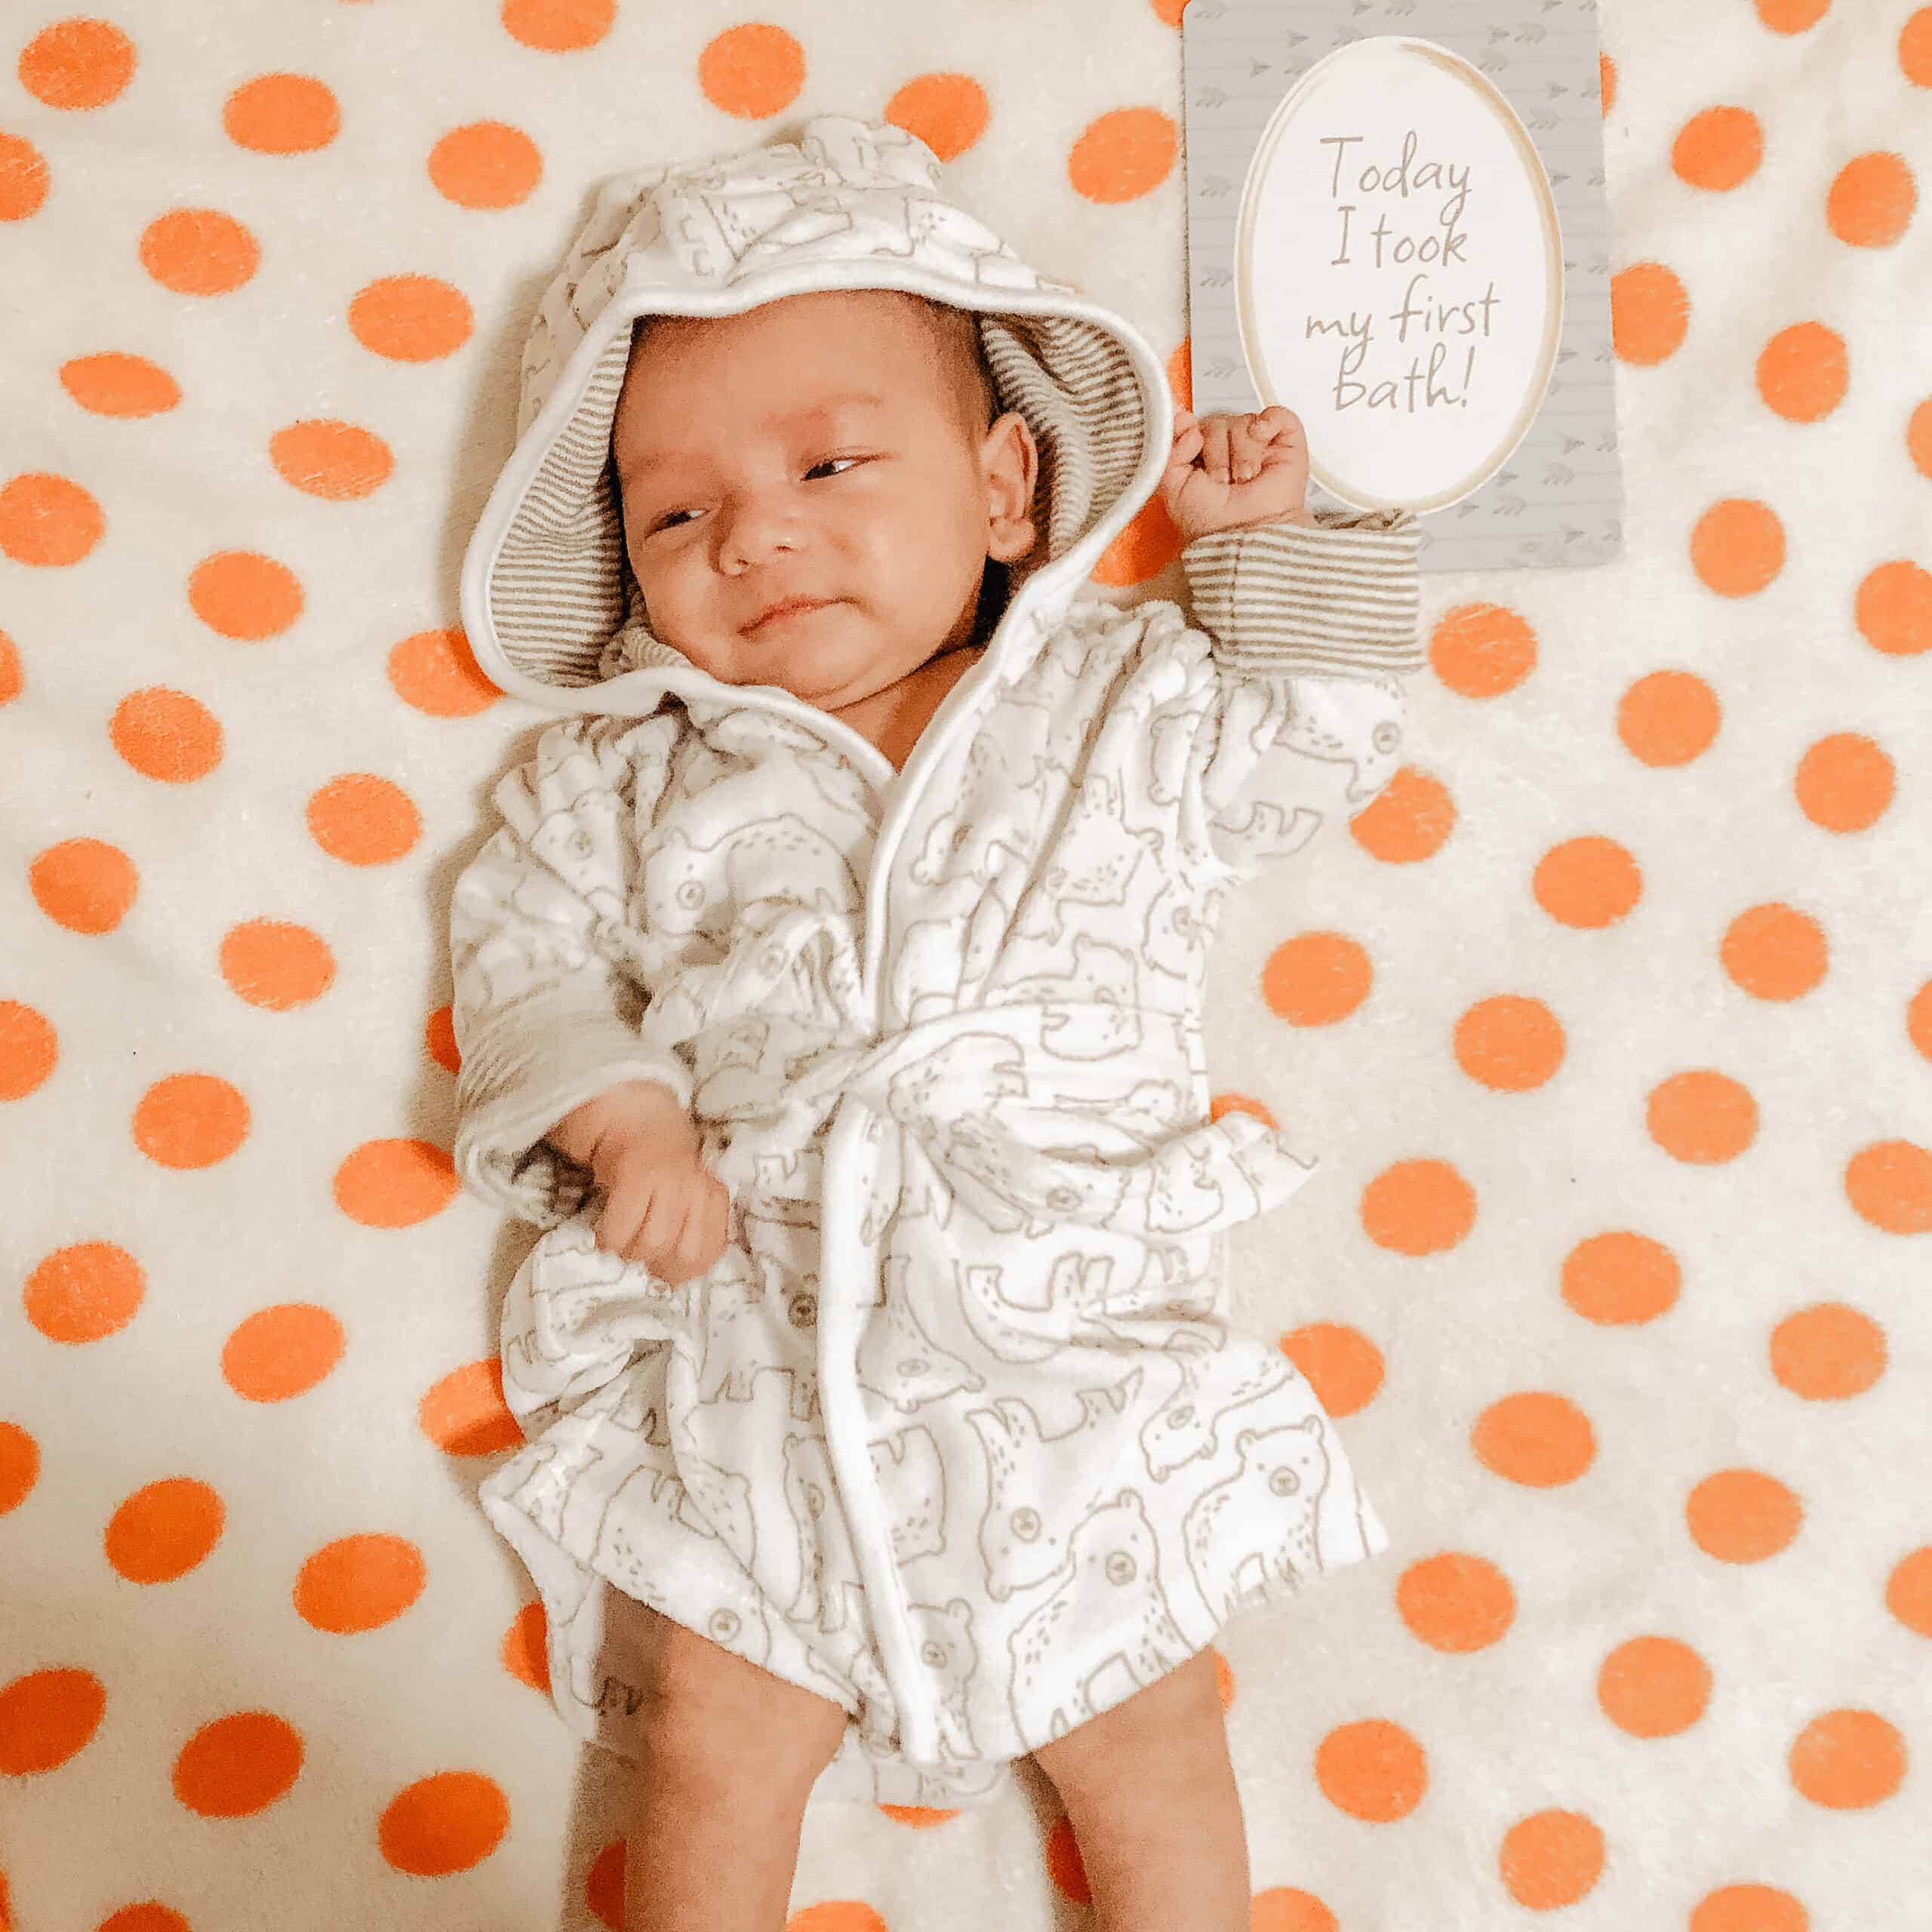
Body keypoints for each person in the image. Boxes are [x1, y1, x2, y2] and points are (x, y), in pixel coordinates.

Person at [448, 113, 1421, 1932]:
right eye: (675, 511)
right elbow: (525, 955)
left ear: (1003, 490)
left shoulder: (1122, 692)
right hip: (761, 1329)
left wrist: (1255, 560)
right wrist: (622, 1117)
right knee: (717, 1728)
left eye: (829, 460)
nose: (757, 531)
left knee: (1148, 1707)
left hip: (1063, 1318)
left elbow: (1308, 757)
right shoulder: (634, 772)